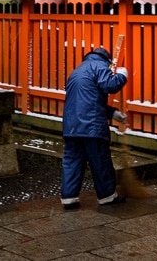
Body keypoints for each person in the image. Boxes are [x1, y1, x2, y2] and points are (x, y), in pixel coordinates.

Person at [60, 46, 129, 209]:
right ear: (107, 60)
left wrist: (112, 113)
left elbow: (86, 99)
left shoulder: (77, 71)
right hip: (91, 126)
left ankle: (69, 197)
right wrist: (122, 75)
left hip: (72, 126)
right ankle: (106, 196)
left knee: (72, 160)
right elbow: (109, 85)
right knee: (100, 160)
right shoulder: (99, 66)